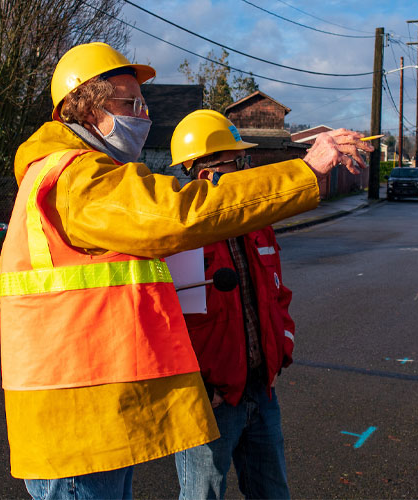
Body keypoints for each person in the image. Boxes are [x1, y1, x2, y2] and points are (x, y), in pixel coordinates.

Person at [0, 41, 372, 500]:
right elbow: (177, 214)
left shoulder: (76, 175)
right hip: (78, 428)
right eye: (129, 103)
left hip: (93, 421)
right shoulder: (75, 178)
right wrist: (304, 172)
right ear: (87, 106)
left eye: (143, 103)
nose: (143, 114)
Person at [169, 110, 296, 499]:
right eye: (237, 161)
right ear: (205, 172)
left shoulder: (257, 222)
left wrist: (280, 354)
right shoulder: (181, 237)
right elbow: (167, 325)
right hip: (212, 402)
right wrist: (197, 388)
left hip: (261, 390)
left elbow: (277, 297)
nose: (248, 167)